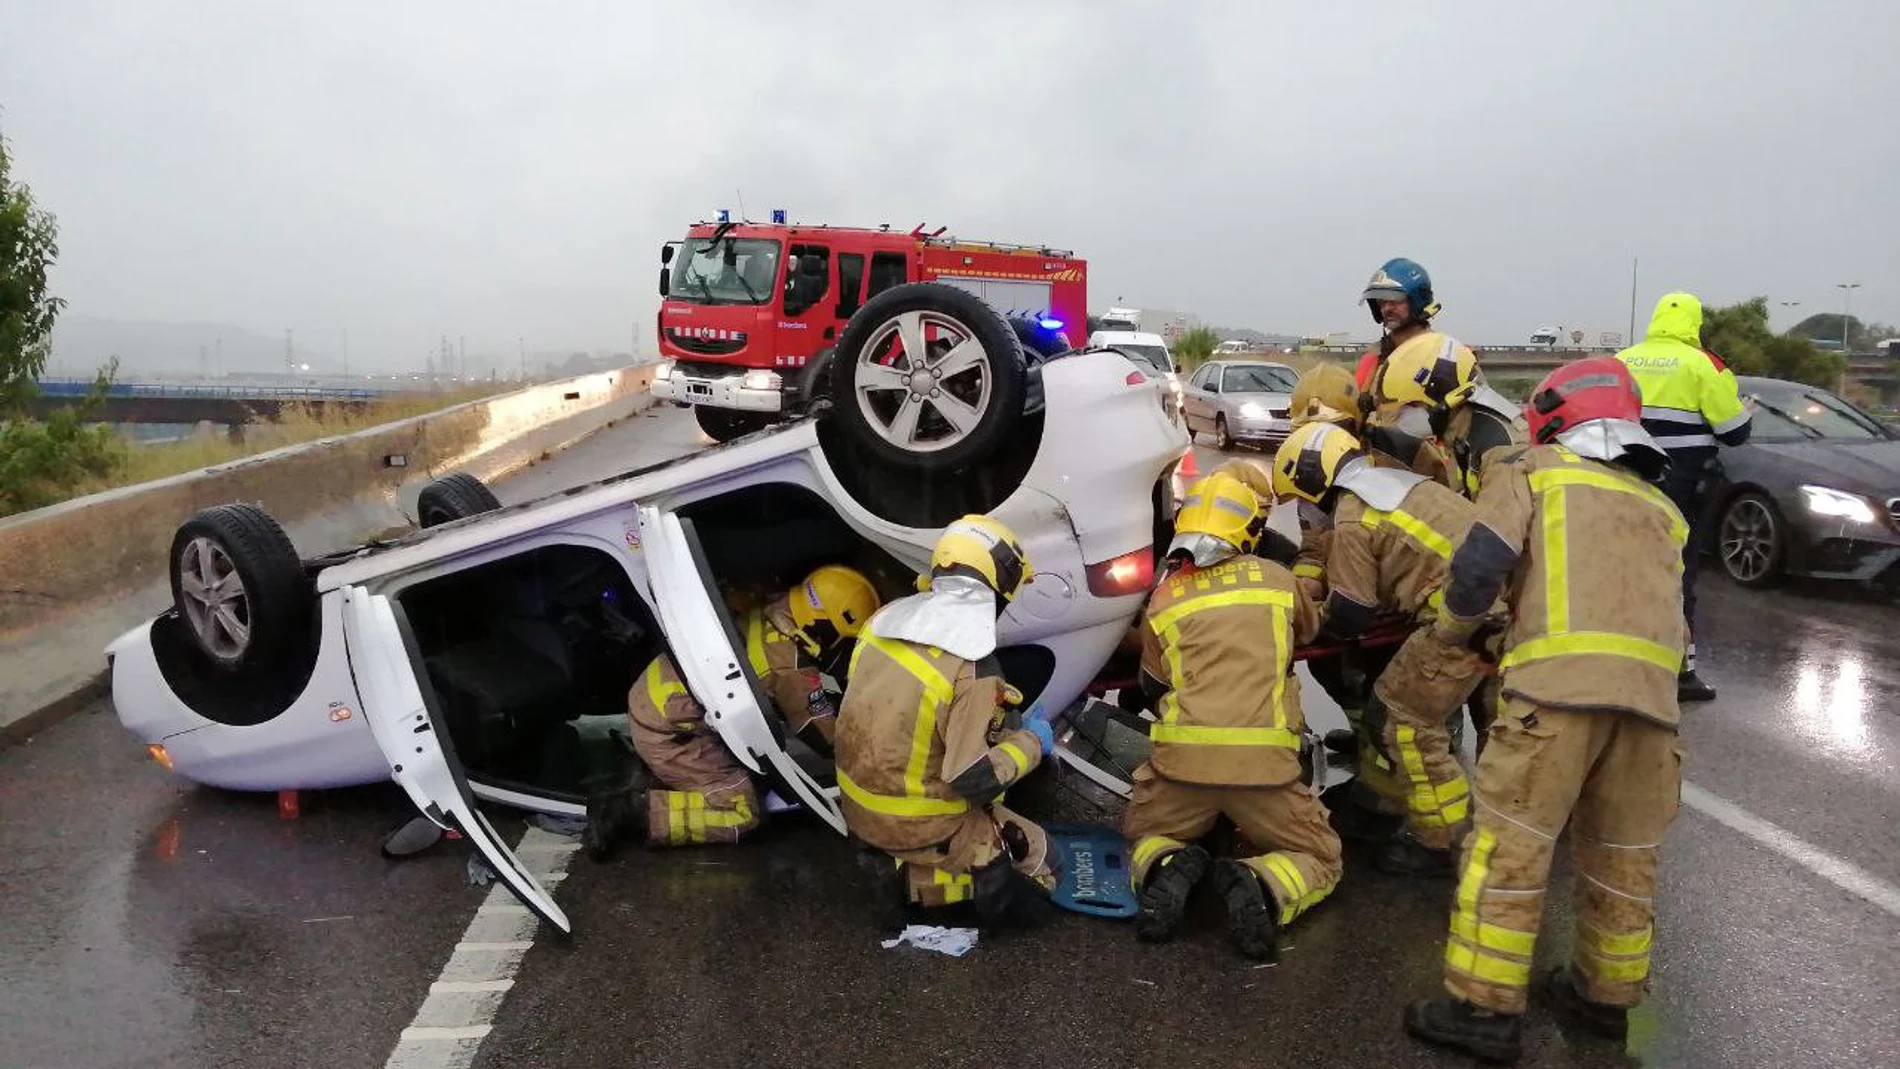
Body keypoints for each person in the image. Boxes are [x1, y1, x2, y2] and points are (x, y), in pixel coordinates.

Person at [1403, 357, 1688, 1064]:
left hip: (1554, 701)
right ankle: (1603, 1002)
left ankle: (1483, 1009)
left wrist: (1450, 632)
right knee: (1623, 859)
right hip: (1652, 710)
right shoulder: (1664, 509)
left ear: (1553, 417)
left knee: (1508, 850)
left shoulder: (1533, 472)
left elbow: (1477, 568)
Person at [1125, 471, 1342, 960]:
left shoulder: (1165, 599)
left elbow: (1150, 685)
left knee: (1143, 837)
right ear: (1249, 531)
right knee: (1321, 858)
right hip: (1263, 770)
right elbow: (1309, 632)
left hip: (1182, 769)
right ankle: (1262, 884)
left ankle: (1169, 862)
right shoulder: (1278, 580)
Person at [1272, 420, 1491, 877]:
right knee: (1383, 710)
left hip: (1464, 622)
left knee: (1402, 719)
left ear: (1315, 481)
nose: (1305, 511)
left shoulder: (1353, 518)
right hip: (1494, 608)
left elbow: (1352, 613)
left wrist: (1304, 630)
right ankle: (1377, 806)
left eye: (1303, 497)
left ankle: (1443, 845)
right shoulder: (1399, 483)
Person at [833, 515, 1060, 928]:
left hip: (857, 809)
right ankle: (918, 886)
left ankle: (893, 857)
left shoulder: (884, 622)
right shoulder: (973, 665)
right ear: (1000, 587)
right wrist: (1030, 742)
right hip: (919, 822)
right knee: (1046, 862)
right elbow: (971, 778)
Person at [582, 564, 882, 860]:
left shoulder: (771, 609)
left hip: (655, 699)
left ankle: (655, 777)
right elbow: (824, 736)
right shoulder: (786, 662)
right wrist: (879, 749)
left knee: (757, 770)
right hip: (668, 733)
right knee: (742, 810)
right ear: (825, 628)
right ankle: (630, 812)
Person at [1615, 291, 1752, 703]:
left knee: (1624, 567)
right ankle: (1681, 672)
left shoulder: (1624, 359)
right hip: (1681, 483)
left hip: (1625, 478)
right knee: (1678, 572)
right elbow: (1735, 433)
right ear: (1694, 323)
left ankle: (1619, 661)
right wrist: (1744, 410)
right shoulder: (1704, 365)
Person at [1366, 331, 1526, 500]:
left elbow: (1496, 523)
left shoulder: (1502, 450)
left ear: (1443, 397)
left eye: (1409, 406)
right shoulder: (1462, 437)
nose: (1399, 419)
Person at [1355, 257, 1441, 392]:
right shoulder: (1373, 357)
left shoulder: (1447, 355)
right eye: (1382, 302)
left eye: (1395, 299)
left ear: (1417, 302)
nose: (1387, 308)